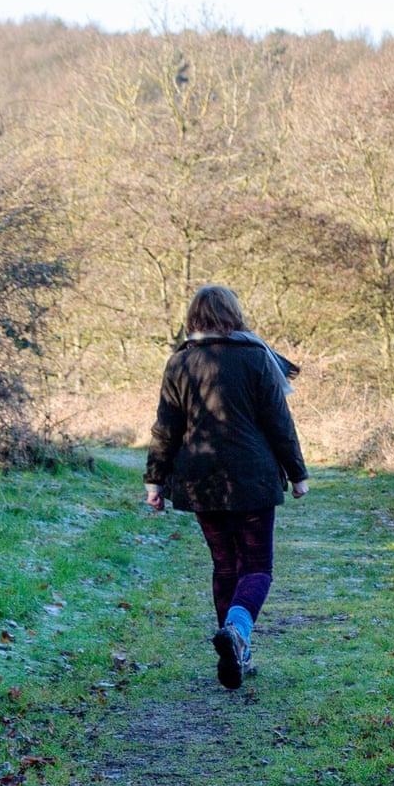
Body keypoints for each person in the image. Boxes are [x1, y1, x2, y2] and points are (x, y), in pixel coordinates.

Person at [144, 285, 309, 689]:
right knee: (257, 567)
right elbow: (279, 422)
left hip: (200, 481)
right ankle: (236, 632)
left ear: (193, 317)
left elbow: (166, 427)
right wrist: (298, 473)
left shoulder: (179, 362)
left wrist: (155, 480)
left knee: (224, 566)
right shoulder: (255, 356)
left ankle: (237, 650)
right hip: (252, 478)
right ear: (233, 314)